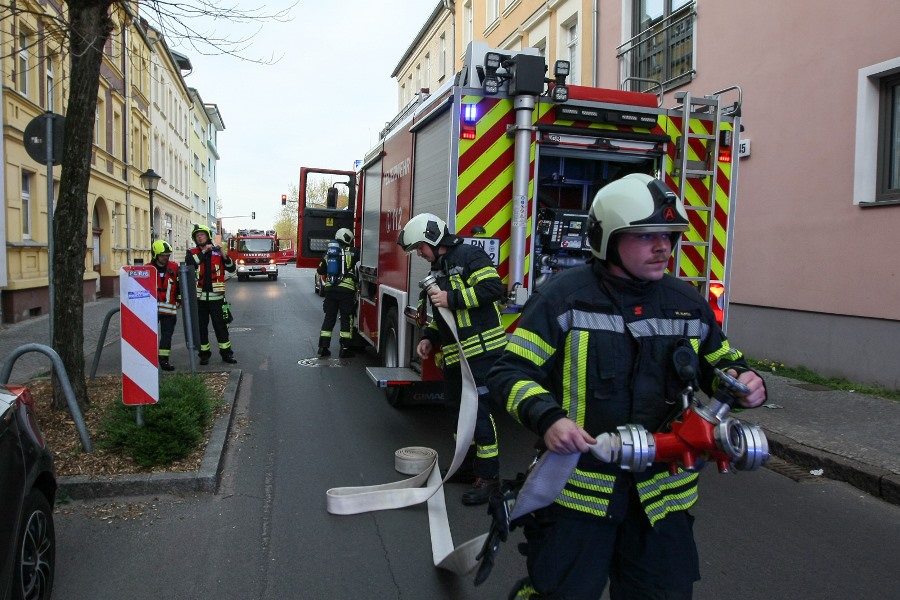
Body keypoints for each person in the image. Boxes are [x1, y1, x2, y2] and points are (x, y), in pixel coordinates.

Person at [487, 173, 767, 599]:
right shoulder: (564, 298)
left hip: (663, 501)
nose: (663, 247)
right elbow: (509, 373)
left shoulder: (687, 304)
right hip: (579, 497)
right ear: (607, 239)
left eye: (668, 236)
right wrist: (548, 419)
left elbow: (722, 365)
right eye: (646, 235)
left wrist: (747, 382)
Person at [397, 213, 508, 506]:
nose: (420, 254)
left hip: (482, 352)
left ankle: (489, 478)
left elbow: (493, 289)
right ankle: (467, 466)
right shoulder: (439, 268)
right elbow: (442, 316)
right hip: (456, 356)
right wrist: (428, 338)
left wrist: (452, 298)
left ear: (433, 239)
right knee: (458, 411)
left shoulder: (470, 255)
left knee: (478, 412)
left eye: (420, 247)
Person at [185, 224, 237, 365]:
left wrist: (223, 254)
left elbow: (232, 268)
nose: (199, 237)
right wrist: (203, 251)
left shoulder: (217, 252)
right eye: (197, 236)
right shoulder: (192, 253)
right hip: (200, 300)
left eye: (202, 235)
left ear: (208, 236)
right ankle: (204, 355)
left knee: (221, 328)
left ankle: (226, 354)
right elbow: (190, 264)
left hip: (217, 299)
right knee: (201, 328)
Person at [316, 227, 360, 358]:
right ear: (348, 238)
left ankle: (323, 348)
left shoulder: (328, 253)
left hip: (330, 290)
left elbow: (320, 271)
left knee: (329, 318)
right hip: (346, 291)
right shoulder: (354, 252)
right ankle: (345, 348)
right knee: (346, 318)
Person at [151, 240, 180, 371]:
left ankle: (164, 361)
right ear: (155, 255)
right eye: (163, 255)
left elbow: (179, 285)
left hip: (169, 309)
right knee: (149, 335)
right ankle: (148, 359)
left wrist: (179, 299)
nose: (165, 257)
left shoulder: (174, 267)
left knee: (167, 336)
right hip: (151, 310)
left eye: (167, 255)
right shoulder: (148, 269)